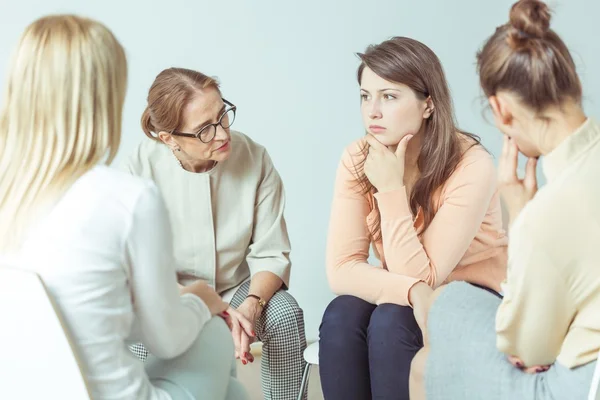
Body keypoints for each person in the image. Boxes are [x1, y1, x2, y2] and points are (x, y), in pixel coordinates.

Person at [0, 15, 248, 400]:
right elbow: (167, 340)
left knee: (230, 392)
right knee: (213, 334)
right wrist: (203, 299)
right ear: (103, 99)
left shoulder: (10, 194)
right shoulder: (126, 199)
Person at [409, 1, 600, 399]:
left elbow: (530, 349)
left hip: (581, 383)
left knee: (429, 345)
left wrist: (521, 217)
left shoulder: (546, 214)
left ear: (500, 109)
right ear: (573, 85)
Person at [318, 36, 508, 400]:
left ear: (427, 106)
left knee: (391, 321)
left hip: (474, 297)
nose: (372, 111)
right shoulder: (358, 158)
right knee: (342, 314)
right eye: (365, 96)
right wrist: (412, 291)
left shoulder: (472, 164)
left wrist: (390, 190)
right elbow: (341, 269)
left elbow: (427, 275)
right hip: (406, 292)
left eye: (389, 96)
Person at [122, 67, 307, 400]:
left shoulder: (255, 157)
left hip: (239, 289)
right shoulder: (139, 169)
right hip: (171, 293)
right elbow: (136, 269)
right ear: (169, 138)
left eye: (223, 116)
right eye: (205, 130)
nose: (222, 134)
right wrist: (206, 306)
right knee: (134, 328)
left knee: (285, 315)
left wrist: (250, 305)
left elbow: (271, 252)